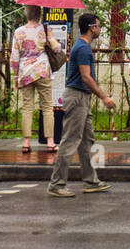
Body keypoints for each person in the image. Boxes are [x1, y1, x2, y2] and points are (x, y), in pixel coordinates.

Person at [48, 13, 117, 198]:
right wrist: (104, 97)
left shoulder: (81, 47)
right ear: (91, 27)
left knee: (87, 141)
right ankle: (56, 184)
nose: (100, 29)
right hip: (77, 97)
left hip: (82, 98)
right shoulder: (84, 49)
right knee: (69, 142)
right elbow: (86, 77)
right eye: (98, 26)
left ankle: (91, 181)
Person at [9, 5, 60, 154]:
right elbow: (56, 48)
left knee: (27, 107)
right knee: (47, 107)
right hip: (42, 71)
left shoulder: (19, 32)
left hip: (25, 72)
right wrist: (53, 45)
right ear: (39, 14)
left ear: (26, 14)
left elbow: (14, 56)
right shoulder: (45, 30)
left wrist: (15, 76)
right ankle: (50, 142)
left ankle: (26, 142)